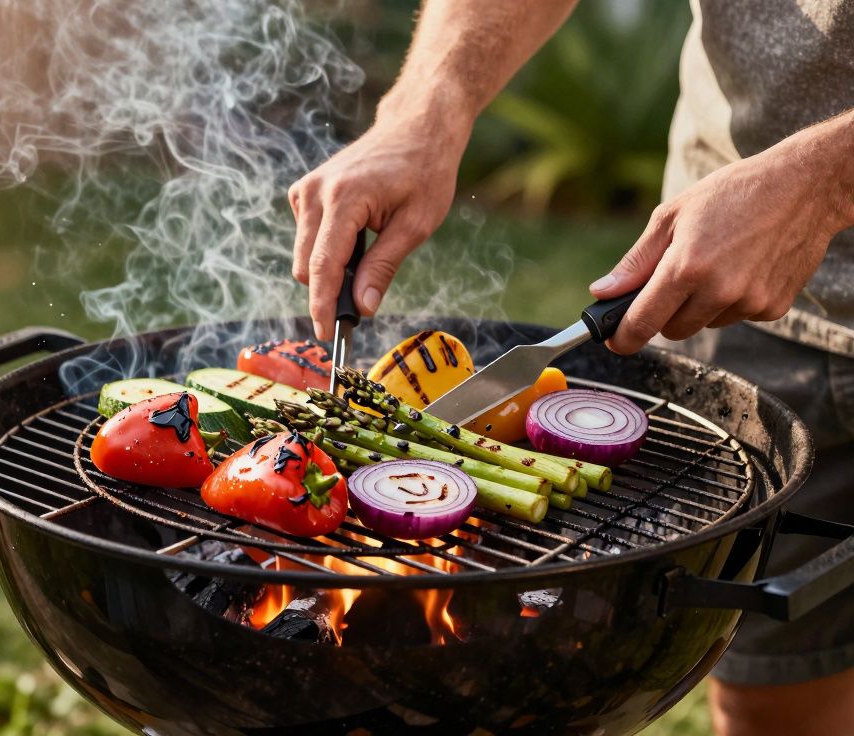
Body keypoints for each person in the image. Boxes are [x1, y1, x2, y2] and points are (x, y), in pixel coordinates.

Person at [288, 1, 854, 734]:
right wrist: (427, 103)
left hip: (775, 210)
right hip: (731, 266)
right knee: (770, 694)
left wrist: (825, 180)